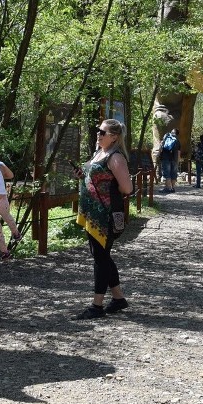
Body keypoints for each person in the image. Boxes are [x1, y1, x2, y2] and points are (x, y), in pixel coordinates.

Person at [74, 118, 133, 319]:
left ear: (114, 137)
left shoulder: (116, 157)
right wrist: (83, 175)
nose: (98, 135)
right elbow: (96, 176)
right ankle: (118, 299)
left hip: (106, 215)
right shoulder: (100, 152)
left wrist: (108, 190)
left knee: (100, 257)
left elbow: (127, 188)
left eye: (102, 132)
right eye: (98, 131)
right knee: (102, 255)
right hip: (94, 214)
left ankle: (96, 306)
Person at [159, 125, 179, 194]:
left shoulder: (166, 137)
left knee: (167, 173)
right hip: (174, 159)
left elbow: (161, 147)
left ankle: (167, 188)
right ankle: (172, 188)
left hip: (165, 158)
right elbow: (179, 152)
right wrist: (178, 161)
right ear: (177, 134)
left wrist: (159, 154)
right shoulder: (177, 141)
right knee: (173, 174)